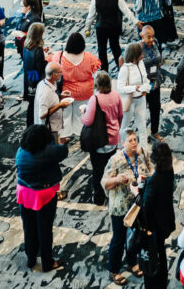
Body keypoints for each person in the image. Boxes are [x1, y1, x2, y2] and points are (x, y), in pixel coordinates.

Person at [15, 124, 68, 273]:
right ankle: (47, 262)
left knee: (29, 227)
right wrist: (61, 142)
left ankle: (31, 259)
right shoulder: (50, 151)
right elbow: (64, 150)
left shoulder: (21, 152)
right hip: (44, 194)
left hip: (24, 193)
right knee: (44, 229)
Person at [103, 129, 153, 285]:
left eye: (135, 139)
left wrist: (146, 178)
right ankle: (114, 270)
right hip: (121, 207)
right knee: (119, 239)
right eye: (130, 140)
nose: (134, 143)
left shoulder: (142, 154)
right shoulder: (115, 160)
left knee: (134, 237)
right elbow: (104, 183)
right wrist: (117, 179)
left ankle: (132, 262)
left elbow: (151, 170)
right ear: (122, 143)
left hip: (137, 205)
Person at [82, 70, 124, 206]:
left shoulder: (95, 99)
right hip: (113, 139)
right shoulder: (116, 95)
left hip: (99, 141)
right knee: (111, 168)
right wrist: (116, 128)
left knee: (98, 170)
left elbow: (88, 121)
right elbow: (120, 115)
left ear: (97, 84)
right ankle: (111, 193)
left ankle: (99, 197)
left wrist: (83, 113)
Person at [138, 141, 176, 289]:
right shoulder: (169, 171)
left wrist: (137, 192)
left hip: (154, 225)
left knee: (153, 254)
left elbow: (145, 206)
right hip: (166, 220)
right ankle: (162, 279)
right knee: (161, 251)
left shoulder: (154, 181)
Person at [86, 0, 138, 73]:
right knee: (115, 48)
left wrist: (87, 28)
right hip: (114, 27)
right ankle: (121, 69)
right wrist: (136, 22)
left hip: (101, 28)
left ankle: (104, 70)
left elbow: (90, 16)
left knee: (101, 49)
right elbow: (126, 11)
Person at [117, 42, 153, 146]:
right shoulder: (125, 69)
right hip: (130, 101)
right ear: (135, 55)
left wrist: (147, 85)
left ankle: (144, 151)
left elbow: (144, 77)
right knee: (124, 127)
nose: (143, 55)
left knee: (142, 127)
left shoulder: (141, 63)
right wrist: (134, 88)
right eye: (140, 53)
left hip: (141, 99)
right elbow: (120, 88)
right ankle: (120, 148)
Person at [137, 25, 167, 140]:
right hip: (143, 85)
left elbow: (158, 58)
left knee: (155, 108)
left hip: (155, 83)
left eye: (153, 36)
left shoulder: (155, 43)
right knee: (141, 111)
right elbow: (122, 59)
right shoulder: (137, 47)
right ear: (142, 36)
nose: (151, 40)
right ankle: (141, 134)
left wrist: (158, 65)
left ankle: (154, 132)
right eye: (148, 37)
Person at [34, 62, 72, 142]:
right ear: (54, 75)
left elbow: (50, 99)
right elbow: (42, 115)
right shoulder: (45, 92)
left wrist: (60, 96)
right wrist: (60, 105)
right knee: (53, 145)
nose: (61, 74)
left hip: (55, 125)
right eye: (60, 72)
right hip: (50, 128)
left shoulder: (49, 83)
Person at [19, 22, 48, 125]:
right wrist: (47, 60)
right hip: (36, 79)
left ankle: (30, 126)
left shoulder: (26, 46)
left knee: (31, 106)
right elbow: (41, 68)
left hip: (29, 78)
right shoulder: (38, 50)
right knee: (36, 107)